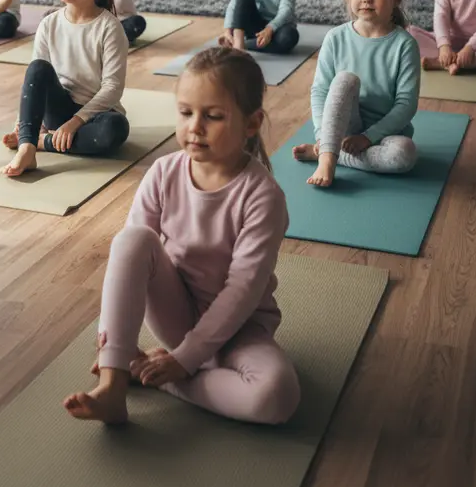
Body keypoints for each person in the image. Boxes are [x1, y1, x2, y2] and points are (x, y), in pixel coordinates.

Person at [63, 47, 299, 426]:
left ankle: (151, 376)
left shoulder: (263, 196)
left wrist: (182, 362)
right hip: (175, 316)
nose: (195, 127)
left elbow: (243, 291)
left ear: (252, 123)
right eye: (186, 113)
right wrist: (114, 343)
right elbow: (132, 261)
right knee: (132, 239)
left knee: (278, 396)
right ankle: (113, 385)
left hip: (240, 329)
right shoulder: (162, 173)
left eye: (214, 116)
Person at [0, 0, 130, 177]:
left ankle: (43, 143)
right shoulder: (49, 24)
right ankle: (27, 145)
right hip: (57, 110)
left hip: (94, 115)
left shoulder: (110, 28)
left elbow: (112, 88)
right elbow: (36, 80)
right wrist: (25, 122)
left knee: (115, 129)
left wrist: (76, 122)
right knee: (38, 67)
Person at [294, 0, 420, 188]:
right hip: (343, 127)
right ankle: (328, 156)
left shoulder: (405, 45)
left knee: (405, 154)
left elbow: (406, 104)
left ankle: (325, 154)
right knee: (344, 80)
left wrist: (368, 137)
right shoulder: (335, 38)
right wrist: (323, 136)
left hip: (385, 135)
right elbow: (320, 92)